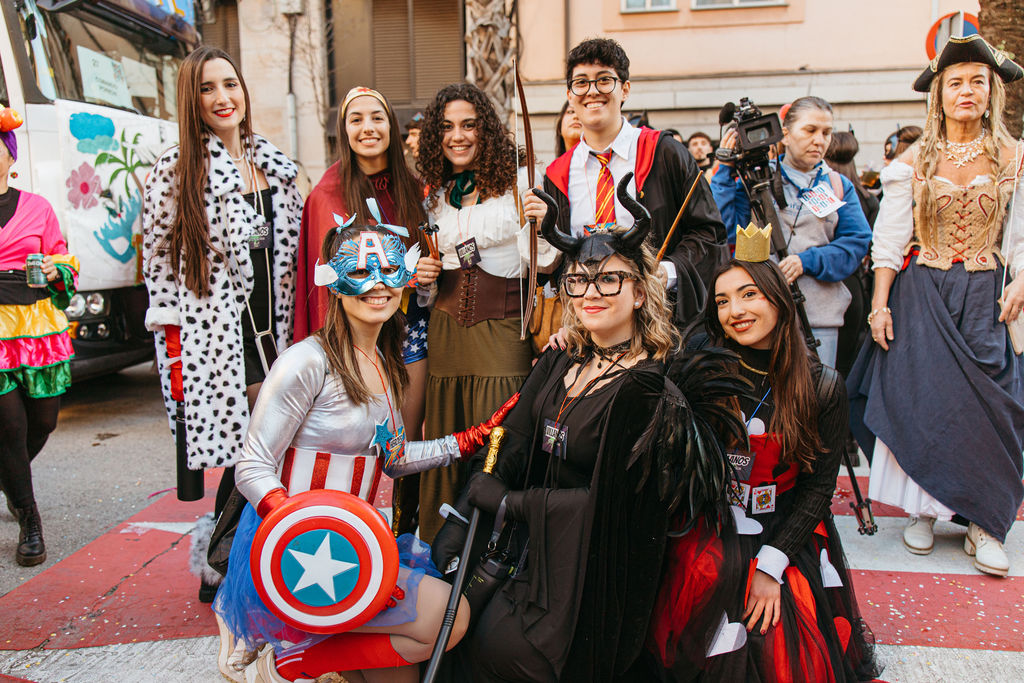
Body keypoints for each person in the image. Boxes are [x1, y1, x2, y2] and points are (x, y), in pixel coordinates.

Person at [430, 177, 746, 681]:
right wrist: (468, 513)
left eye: (608, 280)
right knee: (448, 630)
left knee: (498, 648)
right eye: (577, 282)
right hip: (522, 551)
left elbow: (612, 508)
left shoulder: (648, 387)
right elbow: (512, 439)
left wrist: (511, 502)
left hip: (585, 581)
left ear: (640, 292)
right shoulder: (562, 358)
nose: (589, 294)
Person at [214, 224, 516, 682]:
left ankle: (295, 660)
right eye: (359, 271)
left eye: (390, 269)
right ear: (333, 283)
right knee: (446, 617)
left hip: (359, 545)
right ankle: (288, 664)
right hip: (304, 552)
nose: (378, 284)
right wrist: (297, 533)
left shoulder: (385, 363)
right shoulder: (306, 361)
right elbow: (253, 466)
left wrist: (468, 439)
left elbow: (392, 459)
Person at [648, 229, 879, 682]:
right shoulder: (702, 370)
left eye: (748, 294)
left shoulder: (822, 387)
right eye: (722, 301)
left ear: (779, 298)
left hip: (784, 528)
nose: (735, 311)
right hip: (712, 523)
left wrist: (772, 565)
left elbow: (818, 488)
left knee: (780, 637)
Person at [848, 35, 1024, 577]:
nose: (966, 91)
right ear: (939, 95)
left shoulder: (1014, 156)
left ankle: (984, 522)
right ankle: (923, 510)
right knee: (923, 401)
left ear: (991, 91)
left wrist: (1022, 279)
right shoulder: (914, 160)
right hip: (923, 291)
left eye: (977, 82)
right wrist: (880, 306)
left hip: (987, 293)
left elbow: (1020, 234)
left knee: (991, 407)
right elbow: (889, 240)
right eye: (955, 83)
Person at [142, 46, 302, 600]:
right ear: (192, 99)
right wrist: (175, 353)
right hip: (217, 338)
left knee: (262, 450)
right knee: (257, 446)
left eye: (230, 84)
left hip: (276, 330)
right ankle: (226, 559)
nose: (222, 97)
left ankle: (227, 556)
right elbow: (158, 271)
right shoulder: (176, 170)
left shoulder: (274, 166)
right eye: (207, 88)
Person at [412, 82, 554, 542]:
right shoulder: (435, 196)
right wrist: (424, 276)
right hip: (446, 335)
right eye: (447, 127)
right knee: (448, 434)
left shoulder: (520, 182)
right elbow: (429, 282)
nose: (458, 136)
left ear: (486, 130)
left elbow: (545, 263)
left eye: (469, 125)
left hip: (503, 331)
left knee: (500, 434)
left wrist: (542, 222)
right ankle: (441, 545)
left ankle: (494, 548)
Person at [293, 86, 429, 534]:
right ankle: (343, 534)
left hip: (409, 331)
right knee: (352, 442)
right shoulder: (327, 193)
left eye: (377, 118)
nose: (368, 128)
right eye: (356, 119)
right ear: (343, 130)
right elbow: (325, 282)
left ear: (392, 127)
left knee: (404, 440)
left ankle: (400, 532)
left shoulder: (415, 190)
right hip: (355, 338)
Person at [533, 37, 728, 326]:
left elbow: (709, 234)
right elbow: (561, 263)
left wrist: (667, 272)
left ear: (625, 89)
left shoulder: (664, 153)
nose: (592, 91)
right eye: (581, 83)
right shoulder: (557, 174)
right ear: (570, 94)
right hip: (590, 326)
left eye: (604, 80)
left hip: (664, 323)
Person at [712, 96, 872, 368]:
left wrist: (806, 261)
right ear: (784, 134)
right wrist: (725, 170)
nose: (819, 140)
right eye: (810, 130)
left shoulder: (837, 184)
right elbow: (724, 230)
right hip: (762, 316)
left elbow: (856, 243)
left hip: (819, 318)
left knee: (817, 389)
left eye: (826, 133)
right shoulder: (754, 181)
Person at [0, 107, 78, 567]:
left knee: (42, 422)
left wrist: (55, 269)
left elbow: (63, 260)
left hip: (35, 328)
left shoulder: (37, 207)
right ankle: (29, 519)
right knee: (9, 426)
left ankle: (11, 479)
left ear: (10, 156)